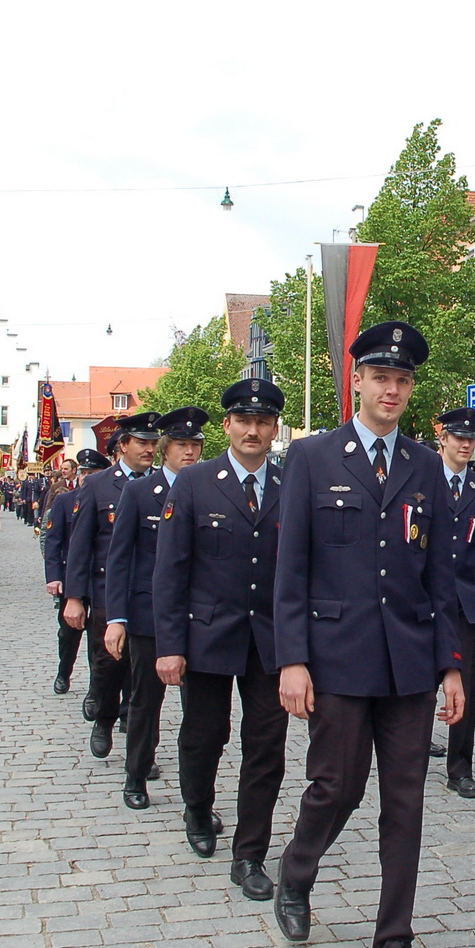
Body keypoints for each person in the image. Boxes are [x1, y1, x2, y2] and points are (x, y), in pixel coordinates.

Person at [270, 321, 462, 948]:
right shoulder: (314, 459)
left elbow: (440, 575)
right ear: (356, 380)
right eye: (381, 377)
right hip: (337, 657)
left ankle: (394, 937)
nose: (392, 389)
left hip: (408, 662)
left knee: (404, 802)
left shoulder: (424, 465)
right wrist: (292, 659)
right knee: (337, 786)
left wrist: (451, 664)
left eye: (403, 380)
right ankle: (297, 873)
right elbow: (290, 570)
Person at [154, 379, 289, 898]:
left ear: (274, 428)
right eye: (243, 421)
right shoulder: (193, 483)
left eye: (263, 422)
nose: (252, 430)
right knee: (205, 734)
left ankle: (250, 852)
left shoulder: (288, 483)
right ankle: (197, 806)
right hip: (207, 634)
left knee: (266, 747)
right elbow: (171, 570)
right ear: (228, 425)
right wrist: (170, 645)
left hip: (270, 640)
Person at [105, 405, 208, 811]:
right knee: (145, 701)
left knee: (198, 713)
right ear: (165, 449)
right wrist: (116, 618)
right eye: (182, 445)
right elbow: (120, 558)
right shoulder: (140, 492)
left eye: (195, 445)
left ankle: (195, 795)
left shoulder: (207, 488)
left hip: (197, 614)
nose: (189, 453)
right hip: (148, 615)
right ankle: (136, 774)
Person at [64, 412, 160, 759]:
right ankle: (103, 717)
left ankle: (140, 745)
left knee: (145, 675)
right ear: (123, 446)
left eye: (153, 443)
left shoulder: (164, 485)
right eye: (143, 443)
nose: (150, 449)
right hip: (108, 590)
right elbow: (81, 544)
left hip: (149, 592)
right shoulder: (98, 485)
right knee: (108, 664)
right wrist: (75, 597)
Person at [434, 406, 475, 798]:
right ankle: (412, 743)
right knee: (420, 678)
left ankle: (460, 766)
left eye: (471, 439)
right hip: (425, 596)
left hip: (467, 599)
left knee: (468, 682)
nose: (464, 444)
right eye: (458, 437)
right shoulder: (422, 477)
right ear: (443, 439)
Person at [44, 451, 105, 694]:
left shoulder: (111, 500)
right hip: (73, 576)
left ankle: (96, 685)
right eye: (84, 473)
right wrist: (54, 576)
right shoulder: (65, 501)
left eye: (92, 474)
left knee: (97, 636)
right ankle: (64, 671)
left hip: (100, 577)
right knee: (68, 633)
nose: (86, 478)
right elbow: (53, 541)